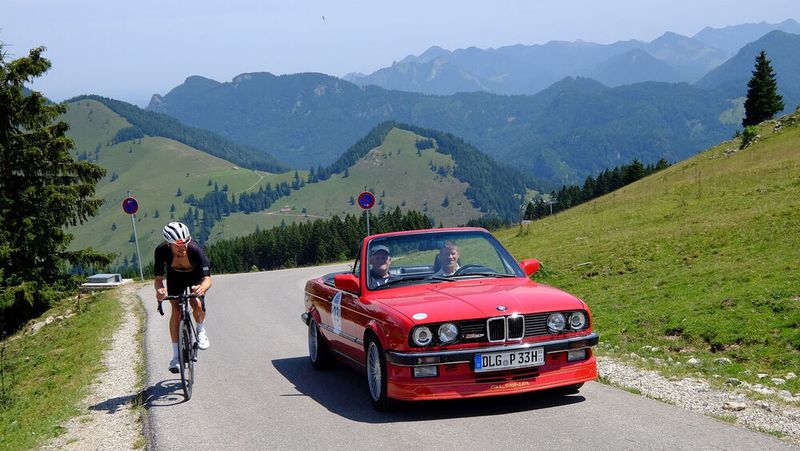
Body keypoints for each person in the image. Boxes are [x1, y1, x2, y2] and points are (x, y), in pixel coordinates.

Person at [154, 222, 213, 373]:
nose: (183, 247)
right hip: (175, 277)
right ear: (168, 244)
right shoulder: (161, 251)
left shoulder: (195, 250)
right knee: (176, 311)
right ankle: (175, 357)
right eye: (178, 245)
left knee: (197, 303)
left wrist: (202, 288)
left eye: (186, 242)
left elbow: (208, 279)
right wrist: (160, 290)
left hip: (195, 277)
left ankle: (200, 330)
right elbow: (159, 279)